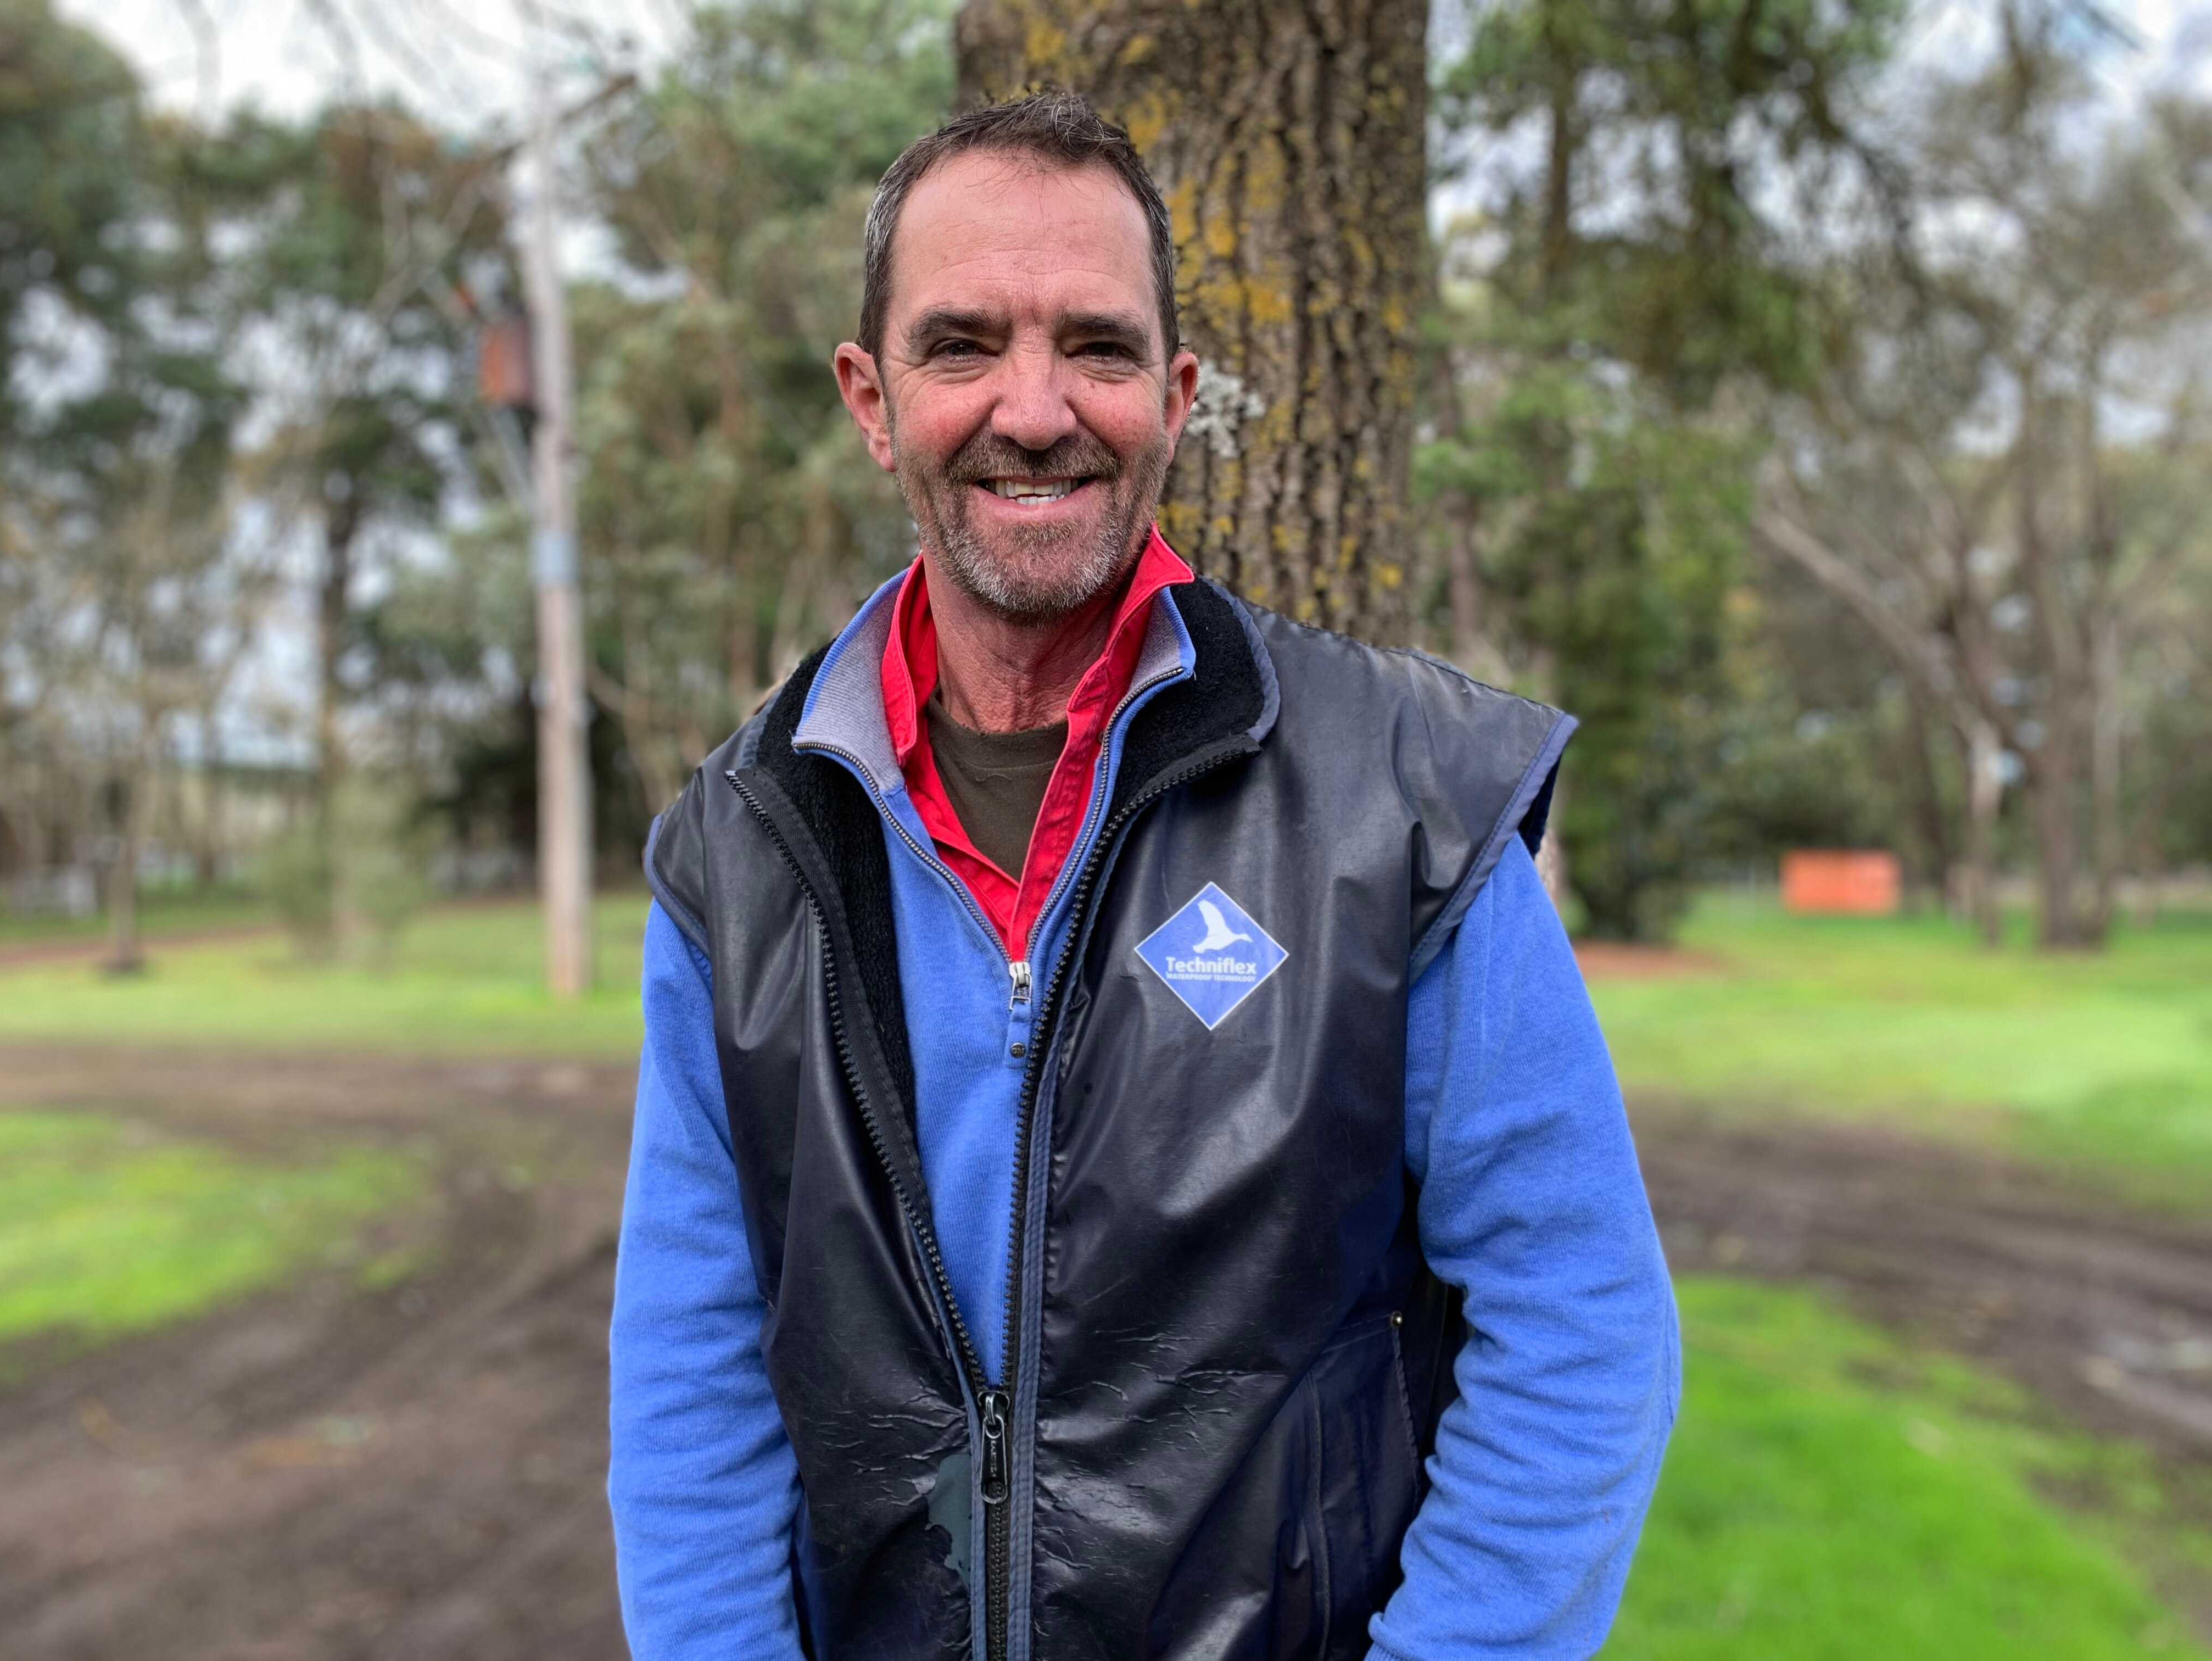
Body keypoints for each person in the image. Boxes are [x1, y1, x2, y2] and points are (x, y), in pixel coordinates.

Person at [608, 92, 1678, 1661]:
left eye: (1097, 348)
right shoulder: (739, 852)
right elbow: (691, 1390)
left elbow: (1582, 1321)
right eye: (963, 343)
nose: (1033, 409)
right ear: (870, 396)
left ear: (1175, 394)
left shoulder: (1405, 803)